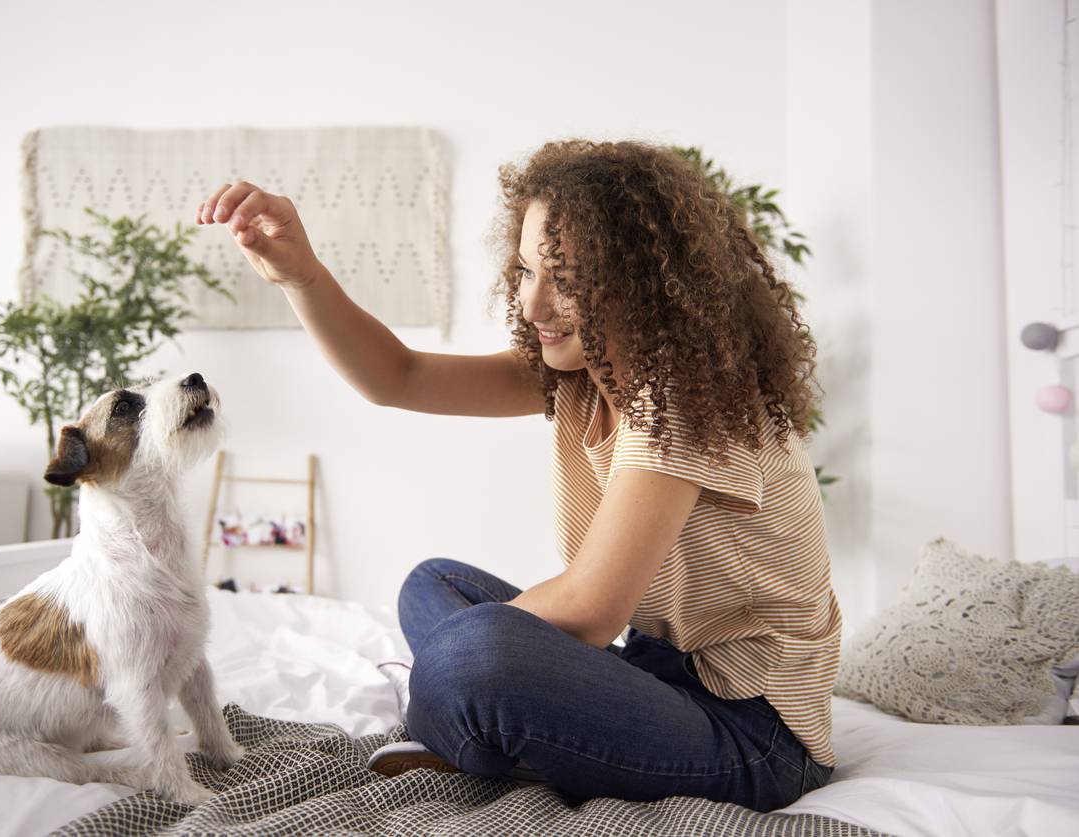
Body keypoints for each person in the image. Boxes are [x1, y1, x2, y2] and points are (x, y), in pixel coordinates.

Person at [195, 139, 841, 813]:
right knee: (434, 585)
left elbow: (591, 610)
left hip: (758, 734)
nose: (533, 305)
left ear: (644, 280)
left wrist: (476, 652)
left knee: (478, 651)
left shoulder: (681, 397)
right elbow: (398, 376)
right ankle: (485, 715)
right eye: (528, 270)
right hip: (655, 671)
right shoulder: (588, 374)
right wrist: (303, 276)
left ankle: (475, 717)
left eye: (565, 278)